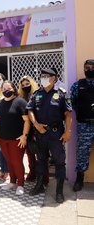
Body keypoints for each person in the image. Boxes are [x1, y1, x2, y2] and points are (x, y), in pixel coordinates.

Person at [27, 68, 72, 203]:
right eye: (42, 76)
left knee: (59, 162)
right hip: (40, 133)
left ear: (55, 78)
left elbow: (68, 114)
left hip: (56, 134)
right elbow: (30, 110)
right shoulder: (36, 94)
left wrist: (67, 132)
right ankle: (39, 185)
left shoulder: (62, 94)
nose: (44, 78)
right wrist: (36, 125)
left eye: (47, 76)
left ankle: (59, 191)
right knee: (41, 161)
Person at [0, 80, 30, 195]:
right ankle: (12, 181)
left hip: (17, 139)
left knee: (17, 161)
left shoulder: (20, 102)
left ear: (14, 89)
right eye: (4, 88)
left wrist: (24, 136)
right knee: (9, 161)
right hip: (3, 138)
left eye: (9, 88)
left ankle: (20, 184)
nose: (6, 90)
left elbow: (27, 120)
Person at [70, 59, 94, 192]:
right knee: (82, 153)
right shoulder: (77, 85)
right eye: (87, 67)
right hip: (84, 125)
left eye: (92, 67)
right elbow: (72, 103)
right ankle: (80, 179)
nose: (89, 69)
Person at [18, 75, 38, 182]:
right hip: (27, 129)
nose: (26, 86)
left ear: (31, 84)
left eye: (27, 84)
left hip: (38, 128)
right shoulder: (21, 98)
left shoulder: (37, 94)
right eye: (23, 85)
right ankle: (32, 173)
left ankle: (43, 177)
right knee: (30, 154)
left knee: (41, 155)